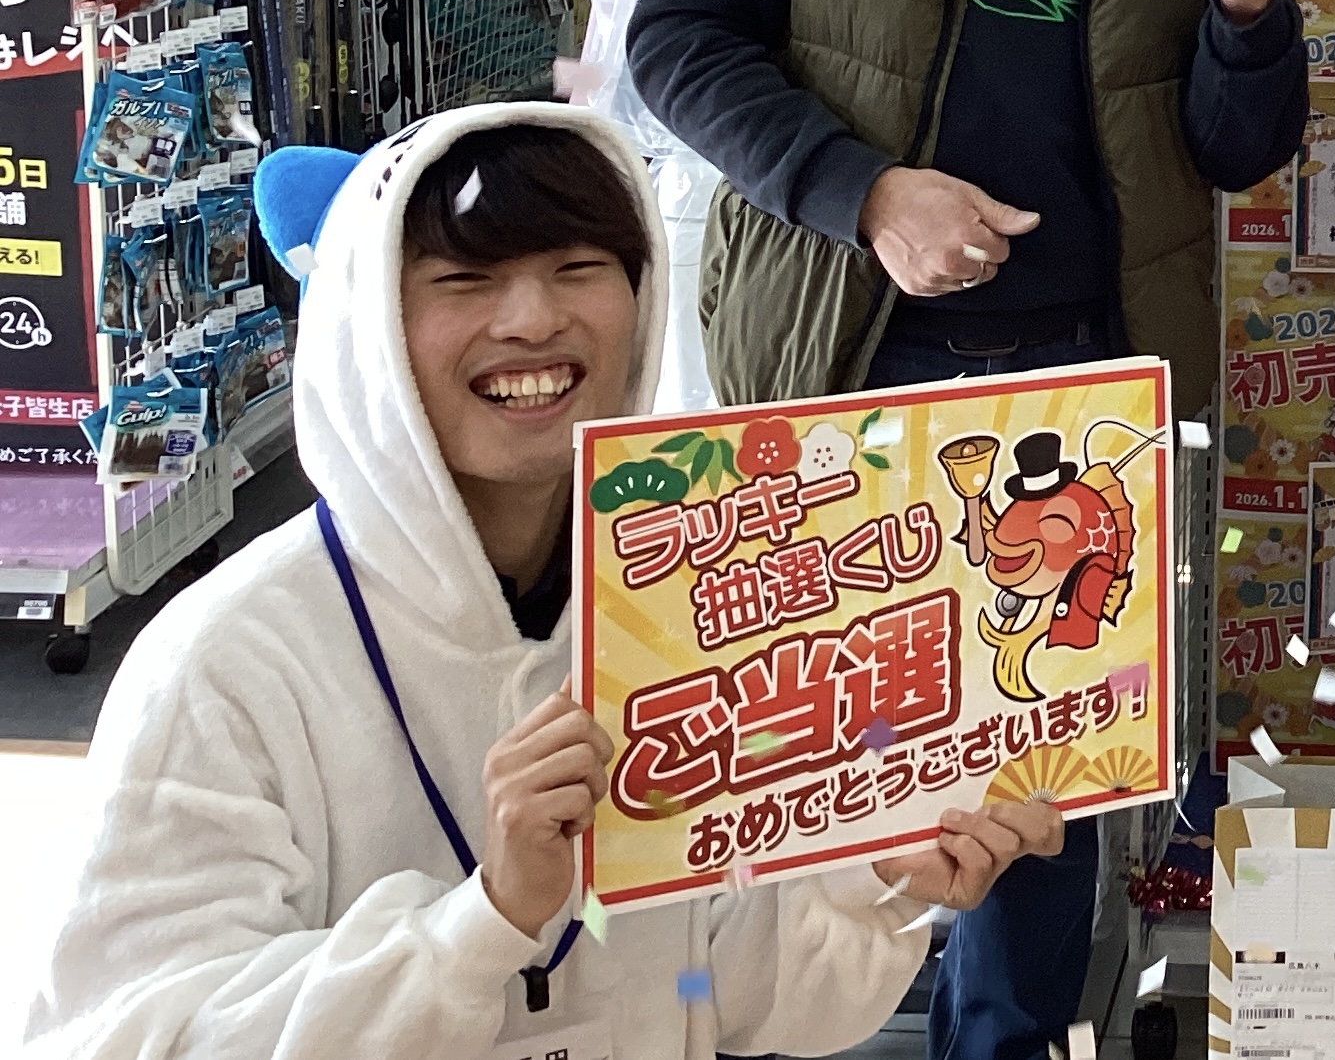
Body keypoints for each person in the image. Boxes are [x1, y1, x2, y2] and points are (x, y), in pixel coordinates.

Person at [626, 0, 1309, 1060]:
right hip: (844, 359)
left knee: (1030, 817)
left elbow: (1241, 144)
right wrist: (863, 193)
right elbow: (680, 41)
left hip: (1083, 383)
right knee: (805, 775)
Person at [24, 104, 1060, 1060]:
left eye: (578, 266)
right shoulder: (226, 664)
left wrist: (879, 874)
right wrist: (487, 918)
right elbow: (132, 1034)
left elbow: (730, 991)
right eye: (464, 280)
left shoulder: (687, 612)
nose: (532, 319)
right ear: (368, 324)